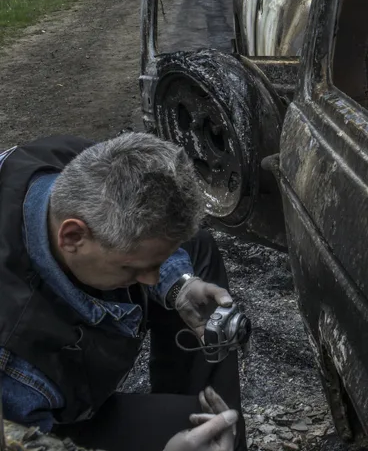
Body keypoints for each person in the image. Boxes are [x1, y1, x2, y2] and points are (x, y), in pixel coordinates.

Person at [0, 133, 247, 451]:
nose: (150, 279)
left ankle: (199, 412)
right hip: (39, 418)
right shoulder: (11, 356)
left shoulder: (85, 165)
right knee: (193, 427)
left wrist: (179, 283)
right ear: (73, 236)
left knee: (196, 250)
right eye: (132, 269)